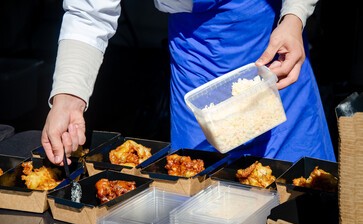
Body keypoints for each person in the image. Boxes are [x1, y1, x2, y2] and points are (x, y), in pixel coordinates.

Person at [42, 0, 336, 166]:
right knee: (203, 202)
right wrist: (68, 97)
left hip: (273, 57)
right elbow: (90, 10)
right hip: (197, 68)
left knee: (300, 204)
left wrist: (295, 17)